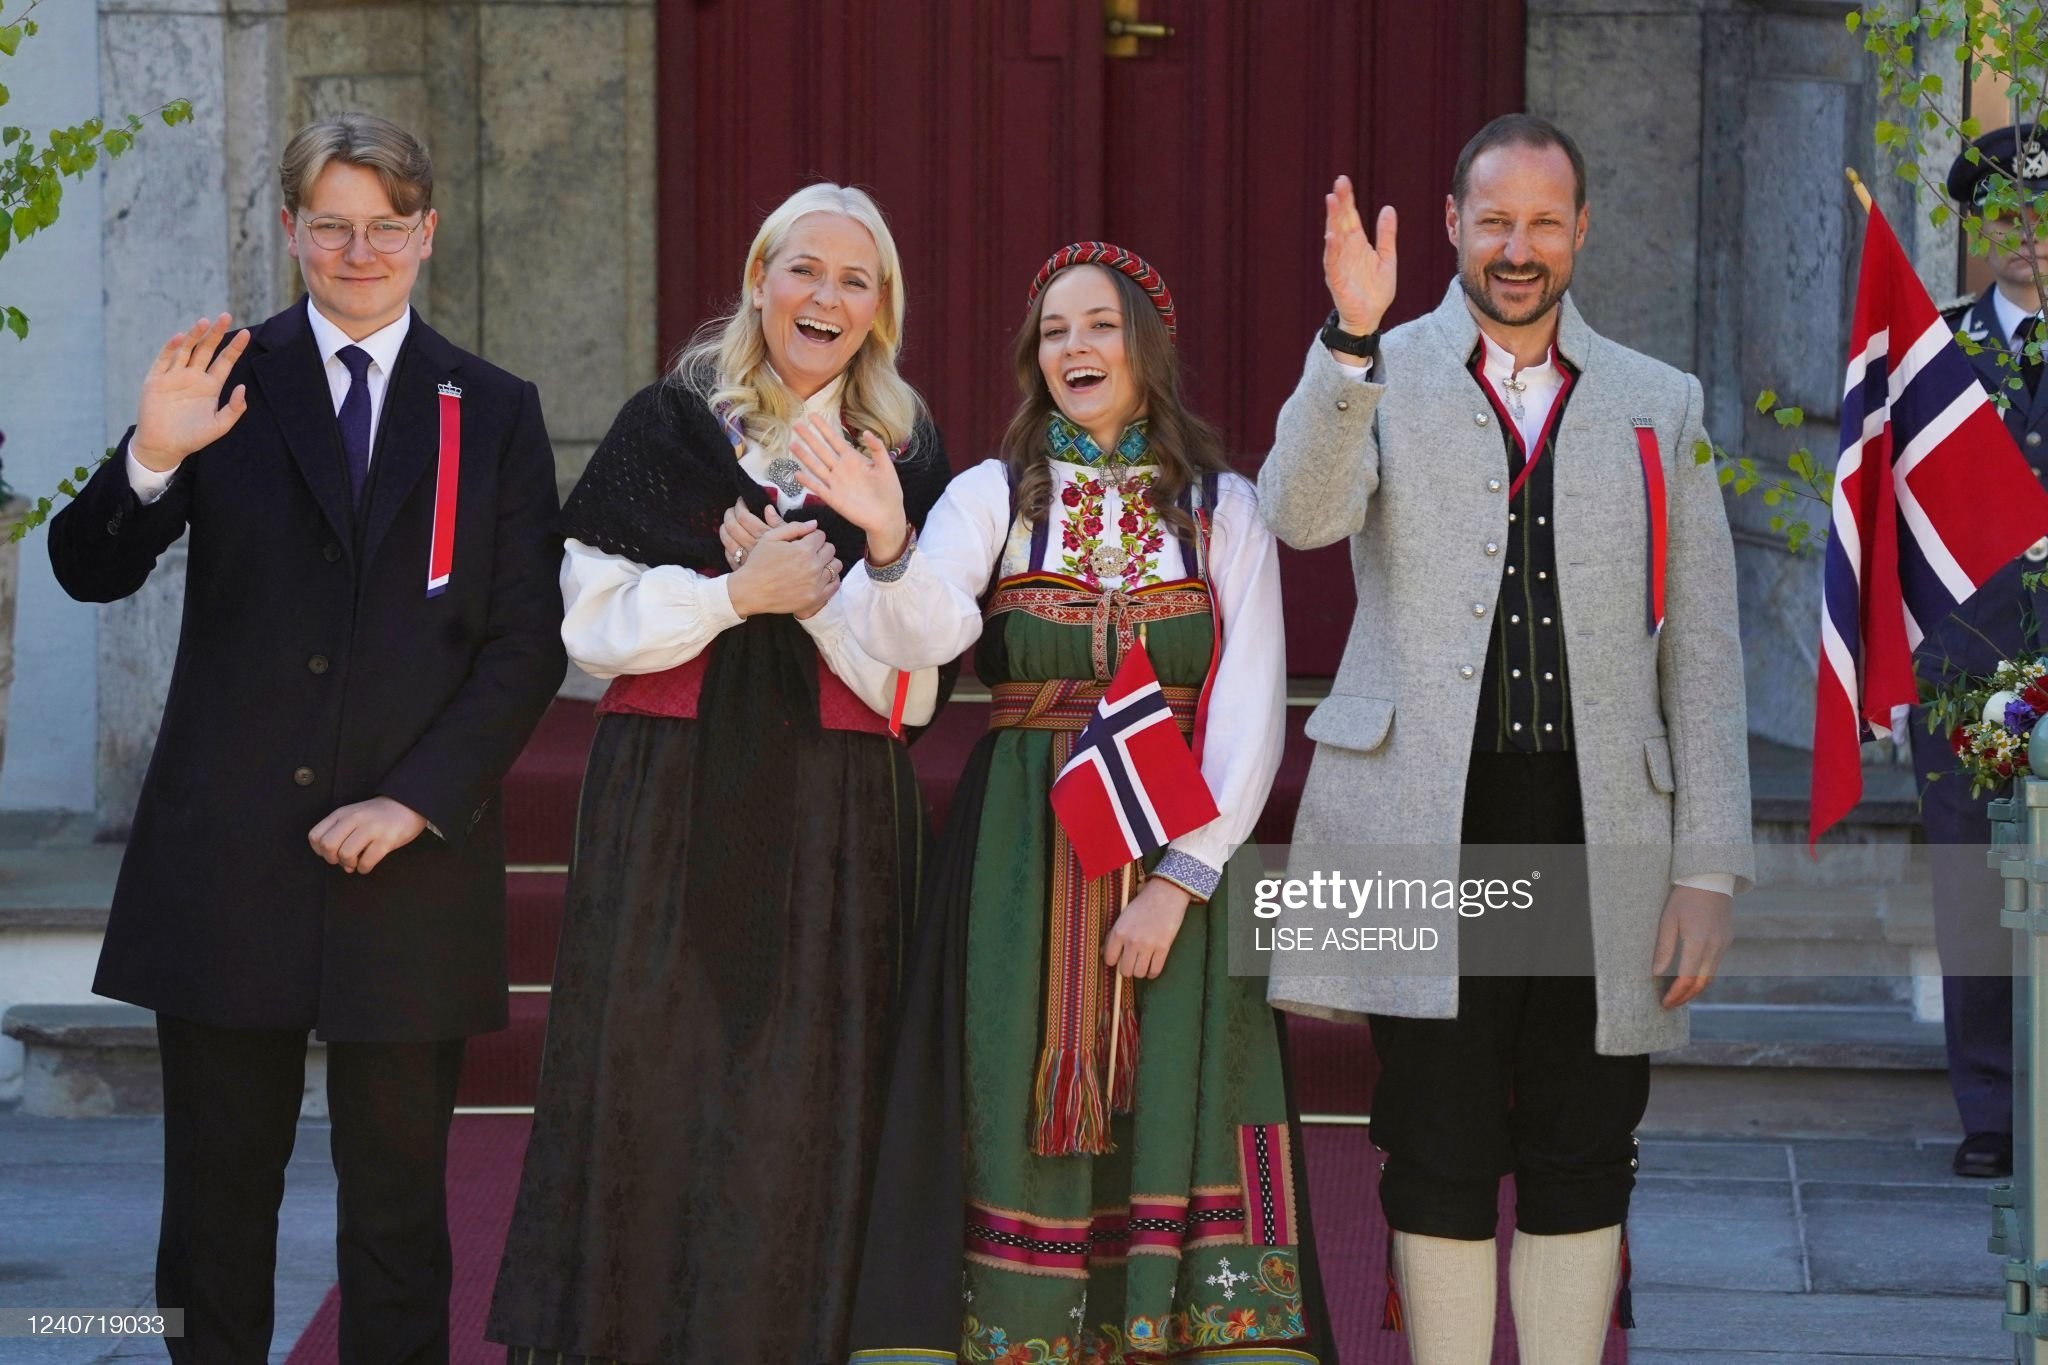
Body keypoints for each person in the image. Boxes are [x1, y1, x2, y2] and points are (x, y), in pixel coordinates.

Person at [46, 112, 567, 1361]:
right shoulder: (222, 377)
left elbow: (523, 647)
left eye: (386, 226)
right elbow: (87, 570)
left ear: (426, 232)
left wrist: (418, 800)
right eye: (330, 224)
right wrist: (151, 459)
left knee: (398, 1220)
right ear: (291, 230)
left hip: (409, 867)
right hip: (227, 862)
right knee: (214, 1213)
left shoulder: (489, 410)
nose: (358, 249)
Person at [1258, 114, 1754, 1364]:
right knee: (1432, 1129)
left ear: (1580, 229)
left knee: (1587, 1135)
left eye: (1542, 222)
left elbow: (1699, 648)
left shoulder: (1659, 399)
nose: (1516, 248)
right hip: (1421, 813)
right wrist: (1347, 340)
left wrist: (1707, 866)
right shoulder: (1373, 365)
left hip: (1603, 824)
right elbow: (1298, 513)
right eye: (1493, 222)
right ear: (1449, 227)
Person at [812, 242, 1328, 1364]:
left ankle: (1191, 1327)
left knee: (1185, 1085)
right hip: (1017, 851)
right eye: (1053, 331)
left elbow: (1245, 705)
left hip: (1177, 848)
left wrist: (1181, 883)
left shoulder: (1220, 507)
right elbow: (919, 637)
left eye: (1097, 325)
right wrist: (890, 539)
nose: (1074, 348)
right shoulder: (987, 496)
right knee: (1006, 1074)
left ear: (1146, 346)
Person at [486, 182, 950, 1365]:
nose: (824, 297)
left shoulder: (903, 453)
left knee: (808, 1083)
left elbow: (920, 680)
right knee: (655, 1065)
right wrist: (734, 593)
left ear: (880, 307)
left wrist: (818, 591)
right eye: (803, 269)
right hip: (668, 790)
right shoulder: (670, 429)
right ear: (758, 278)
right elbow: (589, 629)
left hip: (837, 806)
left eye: (855, 279)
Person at [1907, 121, 2048, 1180]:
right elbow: (1886, 512)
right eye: (2004, 212)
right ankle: (1991, 1109)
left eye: (2042, 215)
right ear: (1974, 224)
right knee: (1974, 893)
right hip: (1973, 670)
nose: (2026, 235)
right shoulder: (1931, 356)